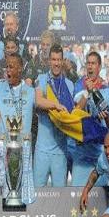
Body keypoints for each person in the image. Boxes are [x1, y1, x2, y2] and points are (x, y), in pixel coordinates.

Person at [70, 51, 109, 186]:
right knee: (77, 194)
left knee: (101, 196)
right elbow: (75, 114)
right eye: (88, 63)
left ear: (99, 66)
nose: (90, 66)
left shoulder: (107, 91)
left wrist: (106, 118)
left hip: (100, 155)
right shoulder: (78, 86)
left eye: (93, 63)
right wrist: (87, 91)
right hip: (82, 154)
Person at [34, 44, 74, 187]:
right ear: (49, 61)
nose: (56, 63)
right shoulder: (41, 79)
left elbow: (72, 113)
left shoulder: (69, 84)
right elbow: (39, 101)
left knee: (61, 196)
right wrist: (56, 105)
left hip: (60, 150)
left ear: (62, 61)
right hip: (42, 150)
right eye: (53, 59)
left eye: (59, 60)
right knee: (37, 194)